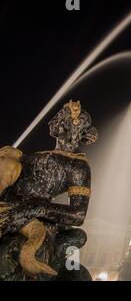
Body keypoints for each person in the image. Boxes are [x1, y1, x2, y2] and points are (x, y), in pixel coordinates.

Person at [0, 100, 97, 280]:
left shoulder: (78, 166)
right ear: (57, 126)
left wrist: (37, 208)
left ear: (84, 133)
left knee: (11, 253)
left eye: (75, 125)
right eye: (65, 123)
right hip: (6, 213)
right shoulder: (27, 157)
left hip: (33, 224)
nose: (68, 130)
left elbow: (78, 215)